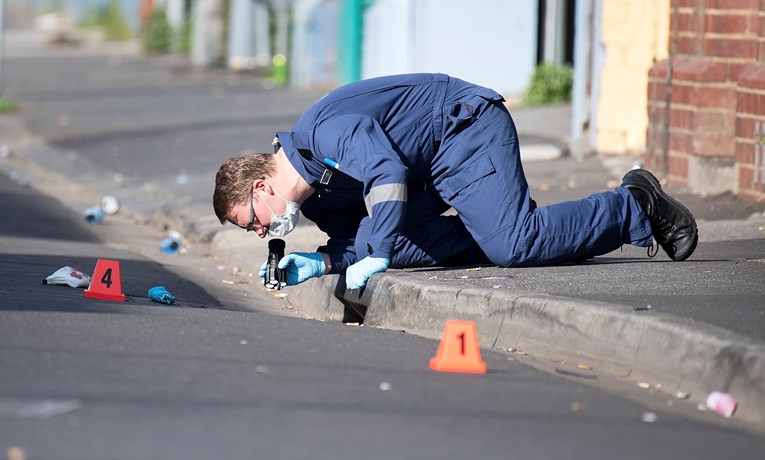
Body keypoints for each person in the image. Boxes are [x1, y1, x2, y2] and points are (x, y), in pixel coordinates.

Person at [213, 73, 698, 290]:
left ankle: (634, 202)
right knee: (397, 247)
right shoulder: (318, 201)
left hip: (461, 130)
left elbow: (386, 172)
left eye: (250, 222)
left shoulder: (322, 134)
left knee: (511, 243)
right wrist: (322, 262)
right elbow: (362, 242)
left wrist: (375, 246)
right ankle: (559, 239)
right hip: (430, 173)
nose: (259, 233)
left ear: (261, 188)